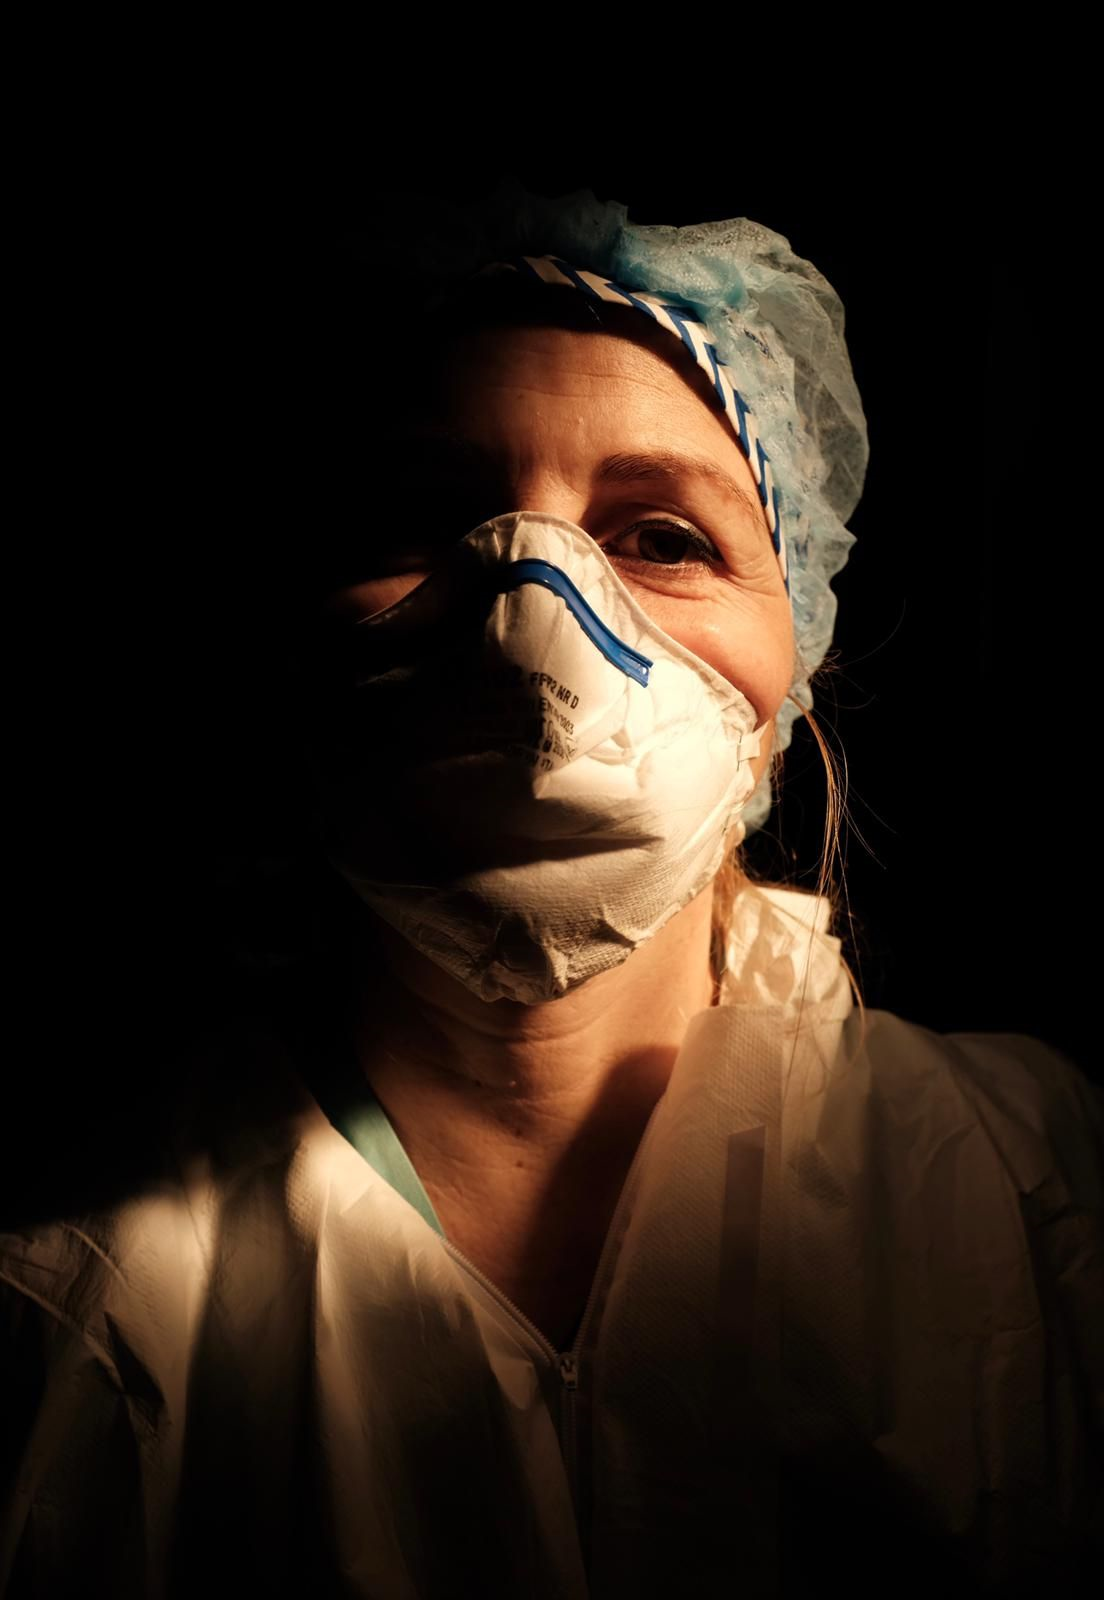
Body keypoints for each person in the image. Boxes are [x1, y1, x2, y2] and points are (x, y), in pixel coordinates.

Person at [2, 180, 1101, 1599]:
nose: (533, 622)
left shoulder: (1037, 1198)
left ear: (792, 674)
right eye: (428, 512)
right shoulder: (79, 1303)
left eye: (660, 536)